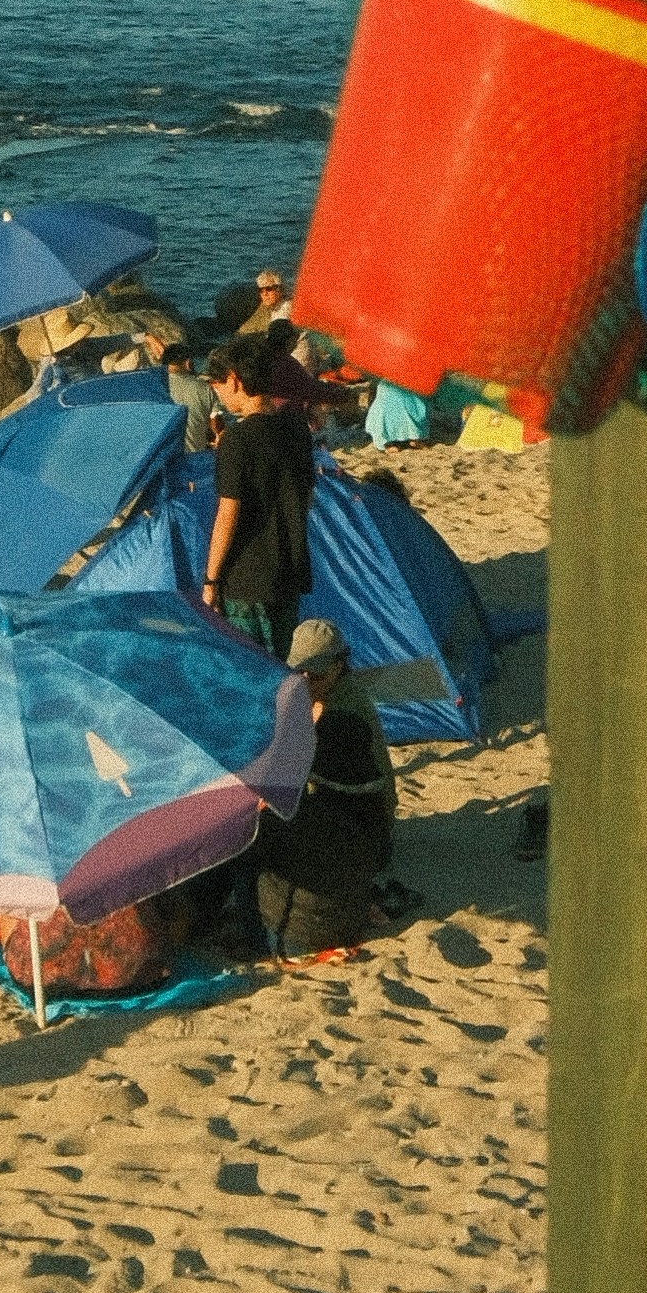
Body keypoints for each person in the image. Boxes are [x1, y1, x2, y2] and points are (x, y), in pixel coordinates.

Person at [258, 622, 402, 966]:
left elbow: (288, 776)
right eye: (300, 672)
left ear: (339, 666)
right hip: (345, 818)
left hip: (363, 834)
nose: (307, 681)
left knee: (259, 831)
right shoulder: (322, 696)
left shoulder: (344, 717)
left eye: (317, 674)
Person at [202, 345, 319, 654]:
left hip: (247, 577)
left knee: (250, 665)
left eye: (216, 384)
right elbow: (307, 498)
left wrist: (211, 581)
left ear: (234, 380)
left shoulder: (237, 439)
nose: (217, 393)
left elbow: (228, 514)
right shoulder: (297, 430)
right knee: (282, 661)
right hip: (289, 571)